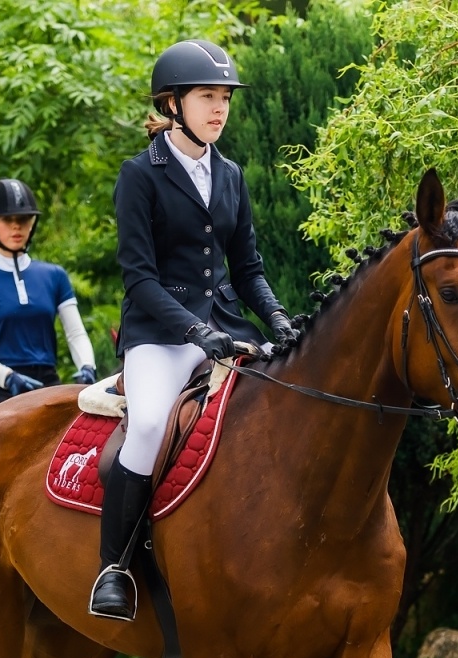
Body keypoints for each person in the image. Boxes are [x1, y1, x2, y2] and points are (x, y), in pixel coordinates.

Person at [90, 40, 297, 620]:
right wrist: (192, 331)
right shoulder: (141, 175)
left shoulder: (229, 174)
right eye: (209, 97)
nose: (220, 108)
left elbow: (248, 268)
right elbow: (138, 278)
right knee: (152, 421)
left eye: (225, 98)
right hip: (159, 335)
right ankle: (115, 568)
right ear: (173, 102)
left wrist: (277, 320)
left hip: (225, 327)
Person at [0, 178, 99, 416]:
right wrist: (8, 378)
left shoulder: (55, 275)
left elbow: (75, 333)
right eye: (8, 220)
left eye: (23, 220)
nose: (17, 227)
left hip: (47, 384)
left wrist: (87, 366)